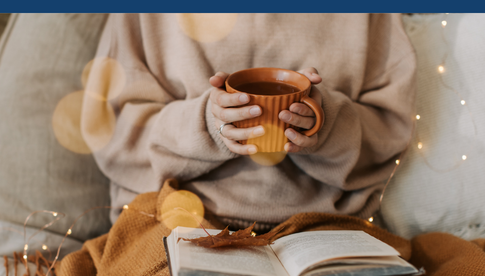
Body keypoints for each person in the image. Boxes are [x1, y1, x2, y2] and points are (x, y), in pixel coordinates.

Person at [88, 13, 416, 231]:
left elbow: (390, 128)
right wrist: (207, 124)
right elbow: (113, 131)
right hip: (173, 222)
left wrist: (325, 123)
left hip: (323, 228)